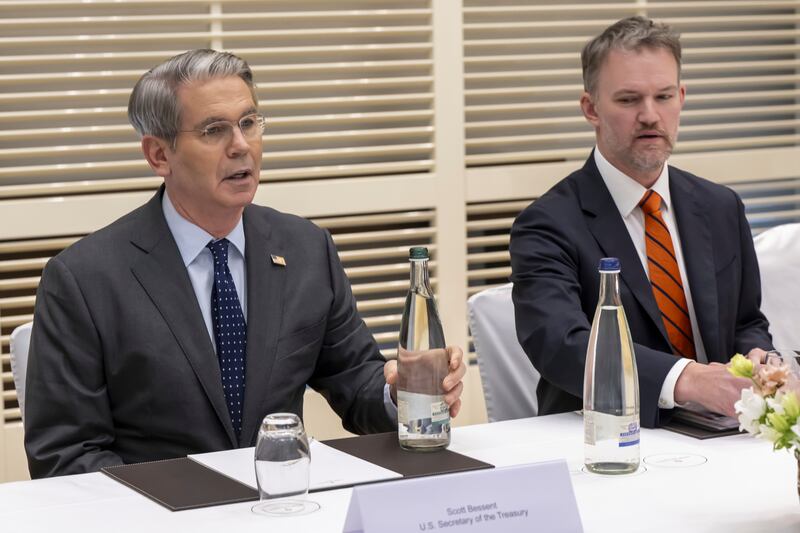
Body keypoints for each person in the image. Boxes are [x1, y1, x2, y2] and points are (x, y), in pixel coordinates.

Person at [24, 49, 466, 478]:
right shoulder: (84, 280)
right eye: (214, 130)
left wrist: (399, 392)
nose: (241, 146)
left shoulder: (306, 249)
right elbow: (65, 455)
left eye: (249, 123)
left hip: (286, 505)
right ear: (159, 155)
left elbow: (354, 379)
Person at [509, 16, 772, 429]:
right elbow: (562, 346)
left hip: (722, 435)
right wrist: (686, 379)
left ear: (682, 98)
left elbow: (746, 322)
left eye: (664, 96)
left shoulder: (721, 206)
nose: (650, 115)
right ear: (590, 108)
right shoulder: (546, 224)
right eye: (629, 100)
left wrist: (758, 358)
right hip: (606, 438)